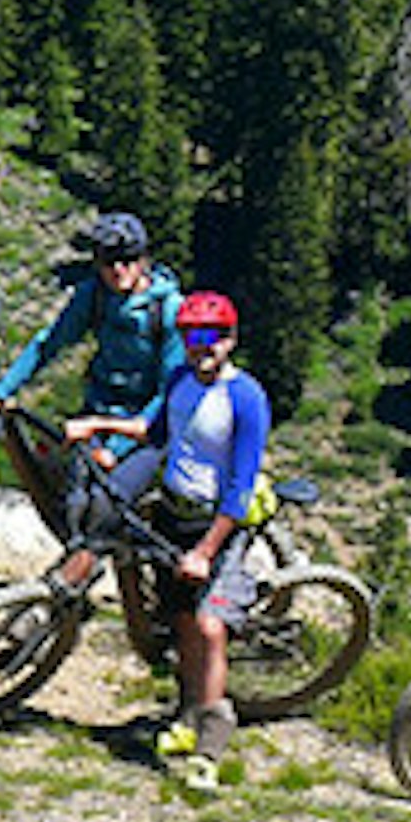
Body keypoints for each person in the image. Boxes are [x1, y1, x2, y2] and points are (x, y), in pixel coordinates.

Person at [88, 288, 270, 778]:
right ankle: (188, 715)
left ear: (230, 340)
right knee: (184, 622)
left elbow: (241, 484)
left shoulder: (245, 397)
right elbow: (153, 431)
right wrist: (97, 427)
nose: (201, 346)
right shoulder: (179, 380)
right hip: (174, 513)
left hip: (218, 526)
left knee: (211, 628)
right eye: (191, 336)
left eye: (211, 336)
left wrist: (207, 550)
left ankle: (211, 747)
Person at [0, 212, 181, 446]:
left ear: (143, 260)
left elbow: (169, 391)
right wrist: (0, 393)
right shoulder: (93, 295)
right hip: (96, 409)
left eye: (127, 259)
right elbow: (49, 343)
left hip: (143, 425)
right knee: (44, 465)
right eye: (108, 261)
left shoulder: (169, 310)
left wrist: (117, 449)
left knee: (103, 482)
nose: (118, 270)